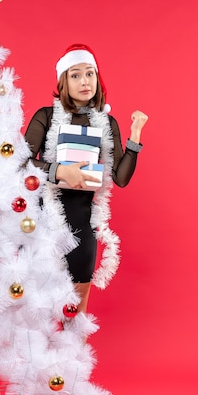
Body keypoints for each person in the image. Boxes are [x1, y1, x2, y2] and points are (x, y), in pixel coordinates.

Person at [24, 43, 148, 313]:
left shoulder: (106, 123)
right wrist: (59, 171)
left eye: (90, 74)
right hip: (44, 225)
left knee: (75, 314)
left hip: (84, 226)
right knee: (38, 312)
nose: (84, 81)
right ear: (63, 81)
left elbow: (121, 178)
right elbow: (19, 162)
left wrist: (135, 135)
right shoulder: (45, 117)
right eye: (75, 74)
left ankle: (73, 355)